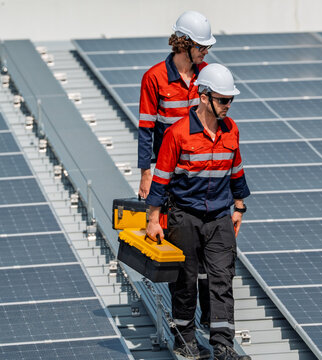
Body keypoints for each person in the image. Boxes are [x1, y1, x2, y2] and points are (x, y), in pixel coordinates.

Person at [145, 63, 251, 360]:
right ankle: (184, 337)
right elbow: (161, 179)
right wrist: (153, 219)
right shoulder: (178, 134)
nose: (228, 106)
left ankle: (223, 345)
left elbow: (237, 172)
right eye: (223, 100)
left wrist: (239, 207)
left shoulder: (232, 131)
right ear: (204, 97)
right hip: (185, 216)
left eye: (230, 100)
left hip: (219, 218)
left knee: (222, 278)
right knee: (186, 279)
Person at [136, 10, 213, 330]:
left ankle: (211, 320)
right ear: (184, 44)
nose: (205, 53)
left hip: (202, 174)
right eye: (201, 46)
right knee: (181, 251)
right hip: (171, 177)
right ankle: (183, 323)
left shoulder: (209, 74)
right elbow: (145, 128)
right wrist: (146, 172)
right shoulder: (154, 78)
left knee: (210, 254)